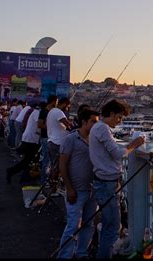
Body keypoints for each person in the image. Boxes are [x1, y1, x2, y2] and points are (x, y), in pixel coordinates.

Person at [89, 99, 145, 259]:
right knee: (112, 227)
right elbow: (118, 154)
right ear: (112, 114)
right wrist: (135, 143)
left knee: (110, 225)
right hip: (107, 184)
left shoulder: (99, 128)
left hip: (105, 182)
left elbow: (111, 150)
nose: (120, 121)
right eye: (119, 117)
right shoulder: (102, 129)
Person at [57, 109, 100, 259]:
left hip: (92, 190)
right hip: (76, 190)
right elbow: (62, 164)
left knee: (88, 225)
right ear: (84, 122)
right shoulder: (71, 139)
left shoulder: (95, 139)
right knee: (73, 226)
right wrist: (69, 188)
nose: (96, 124)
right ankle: (64, 256)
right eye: (93, 121)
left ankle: (81, 253)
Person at [6, 103, 42, 184]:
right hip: (30, 139)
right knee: (30, 160)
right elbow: (40, 125)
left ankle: (23, 176)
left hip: (31, 139)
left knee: (28, 160)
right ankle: (16, 173)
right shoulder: (37, 113)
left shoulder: (35, 112)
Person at [46, 97, 74, 187]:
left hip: (52, 141)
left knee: (54, 166)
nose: (67, 108)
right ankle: (53, 188)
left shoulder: (52, 111)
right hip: (57, 143)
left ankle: (51, 185)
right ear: (65, 104)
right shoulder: (59, 112)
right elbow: (68, 125)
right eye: (67, 106)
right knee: (58, 167)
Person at [38, 95, 58, 185]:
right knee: (46, 160)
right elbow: (39, 125)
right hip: (45, 138)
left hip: (49, 138)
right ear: (54, 101)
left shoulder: (50, 112)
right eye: (57, 101)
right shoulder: (44, 112)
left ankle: (47, 180)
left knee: (49, 161)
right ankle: (44, 181)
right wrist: (51, 126)